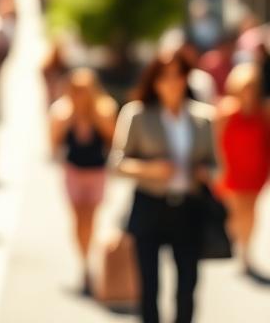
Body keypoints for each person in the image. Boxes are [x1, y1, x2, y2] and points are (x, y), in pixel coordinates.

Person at [108, 47, 220, 323]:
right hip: (150, 205)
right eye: (164, 76)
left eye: (177, 75)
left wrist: (204, 172)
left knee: (187, 285)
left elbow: (217, 165)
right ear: (154, 80)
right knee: (149, 286)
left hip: (189, 207)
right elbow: (117, 164)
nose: (171, 83)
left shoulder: (203, 118)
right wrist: (151, 169)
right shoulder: (137, 114)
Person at [48, 67, 117, 296]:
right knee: (78, 219)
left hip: (96, 172)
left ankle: (89, 261)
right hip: (74, 172)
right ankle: (84, 263)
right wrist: (70, 119)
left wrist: (93, 116)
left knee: (92, 218)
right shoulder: (62, 111)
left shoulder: (104, 109)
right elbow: (53, 143)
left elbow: (113, 138)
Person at [214, 61, 270, 279]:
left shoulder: (262, 112)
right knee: (236, 210)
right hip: (232, 170)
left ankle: (246, 249)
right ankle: (238, 245)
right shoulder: (226, 111)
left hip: (256, 169)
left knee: (252, 210)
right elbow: (216, 140)